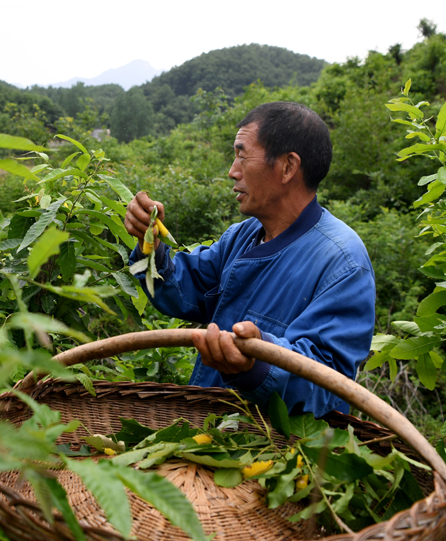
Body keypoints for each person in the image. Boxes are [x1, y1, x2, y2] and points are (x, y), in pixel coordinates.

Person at [124, 102, 375, 417]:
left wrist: (256, 363)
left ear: (287, 166)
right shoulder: (243, 236)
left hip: (275, 451)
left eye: (242, 155)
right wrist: (149, 245)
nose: (233, 170)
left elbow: (330, 385)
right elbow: (181, 291)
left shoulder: (342, 262)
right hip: (207, 432)